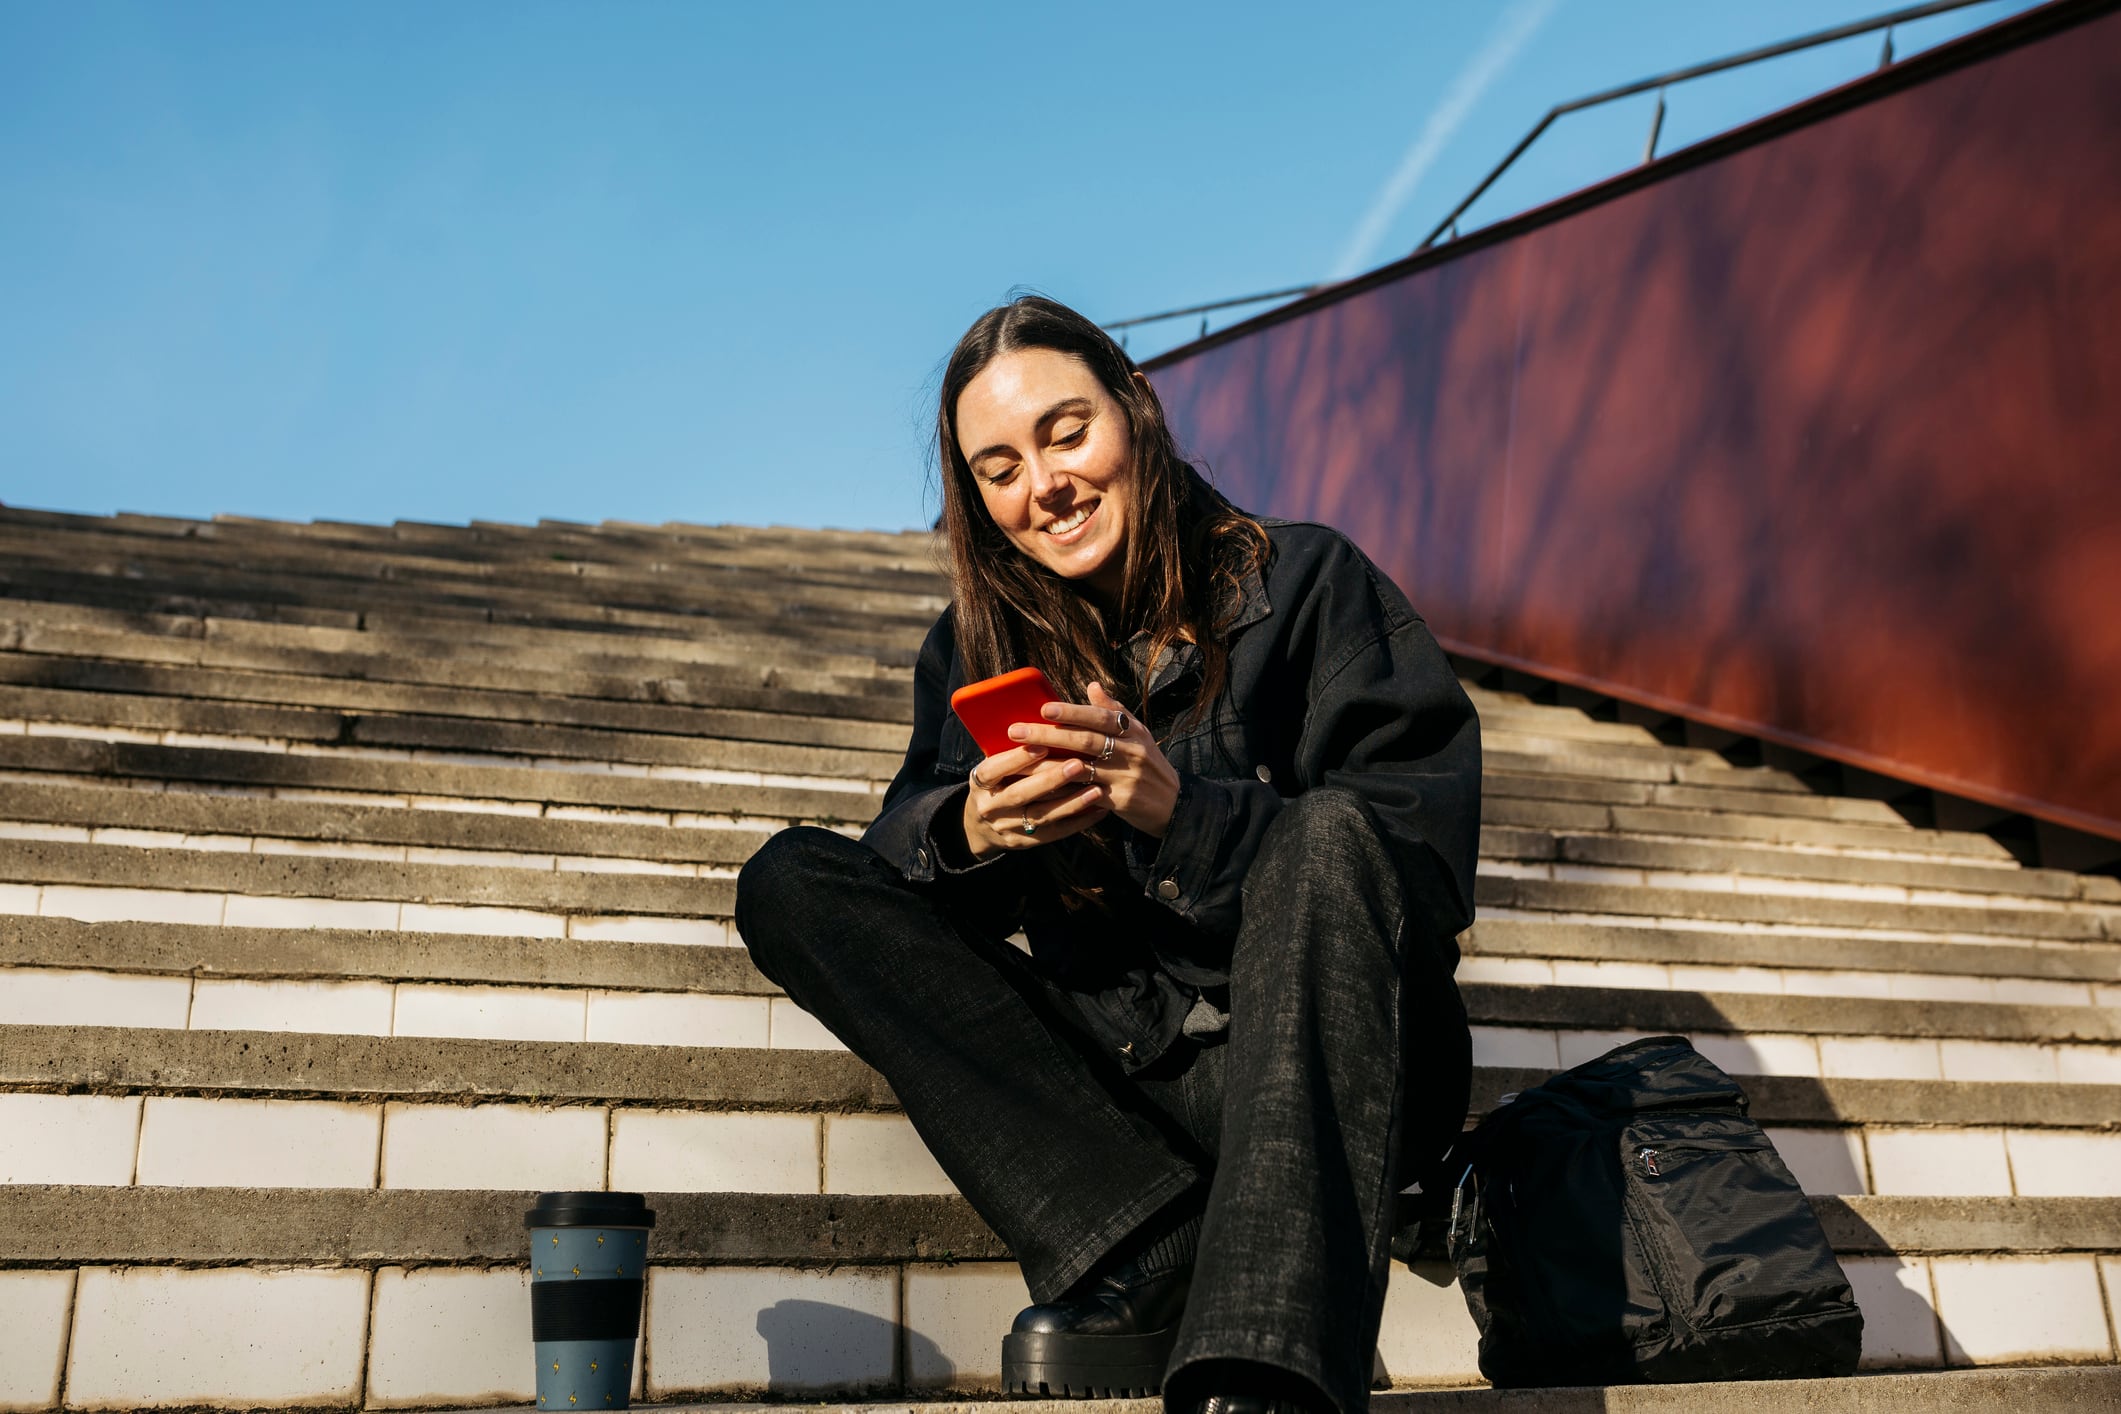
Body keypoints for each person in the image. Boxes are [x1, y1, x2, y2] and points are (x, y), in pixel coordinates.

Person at [735, 294, 1480, 1414]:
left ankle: (1259, 1361)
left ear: (1138, 405)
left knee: (1335, 831)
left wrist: (1182, 813)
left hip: (1347, 1062)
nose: (1043, 486)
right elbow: (897, 886)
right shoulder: (970, 650)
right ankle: (1150, 1233)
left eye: (1065, 432)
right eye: (997, 468)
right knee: (791, 881)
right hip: (1136, 1077)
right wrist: (974, 829)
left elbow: (1418, 869)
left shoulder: (1312, 584)